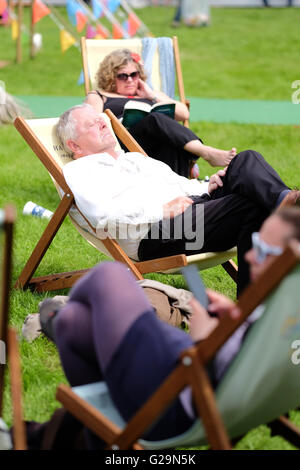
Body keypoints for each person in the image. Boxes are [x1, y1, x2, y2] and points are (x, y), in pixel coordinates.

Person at [39, 206, 300, 448]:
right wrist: (234, 321)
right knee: (76, 323)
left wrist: (205, 338)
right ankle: (65, 326)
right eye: (256, 243)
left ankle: (60, 323)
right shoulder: (290, 308)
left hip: (178, 398)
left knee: (110, 277)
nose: (251, 255)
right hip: (191, 374)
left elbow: (237, 365)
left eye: (265, 252)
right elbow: (259, 355)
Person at [56, 103, 300, 295]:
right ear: (73, 145)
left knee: (246, 160)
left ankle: (285, 201)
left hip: (188, 210)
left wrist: (208, 185)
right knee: (249, 205)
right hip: (154, 234)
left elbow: (178, 184)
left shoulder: (134, 159)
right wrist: (160, 210)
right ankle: (253, 301)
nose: (102, 123)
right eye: (91, 124)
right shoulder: (80, 171)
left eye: (101, 119)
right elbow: (102, 218)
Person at [85, 49, 237, 177]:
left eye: (134, 74)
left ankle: (181, 201)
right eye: (123, 76)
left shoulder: (150, 94)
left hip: (155, 148)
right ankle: (206, 153)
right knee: (154, 119)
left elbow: (184, 114)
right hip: (124, 145)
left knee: (169, 143)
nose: (130, 80)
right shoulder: (99, 96)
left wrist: (152, 96)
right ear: (110, 77)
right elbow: (92, 126)